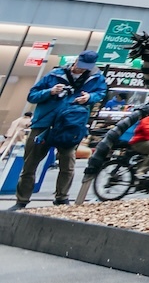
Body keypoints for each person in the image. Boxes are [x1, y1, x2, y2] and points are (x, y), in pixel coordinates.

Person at [15, 51, 107, 208]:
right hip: (44, 124)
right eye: (80, 65)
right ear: (76, 60)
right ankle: (22, 200)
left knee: (67, 165)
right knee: (30, 164)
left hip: (70, 125)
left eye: (86, 67)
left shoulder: (97, 78)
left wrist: (89, 98)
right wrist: (50, 92)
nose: (81, 69)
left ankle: (61, 199)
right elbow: (32, 96)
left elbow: (101, 93)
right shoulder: (55, 74)